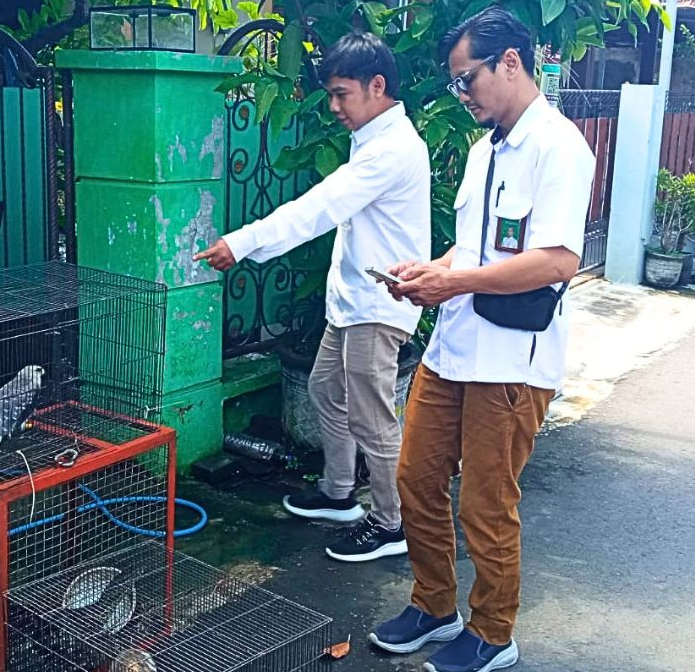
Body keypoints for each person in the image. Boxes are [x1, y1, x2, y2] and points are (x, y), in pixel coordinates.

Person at [366, 7, 595, 672]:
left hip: (512, 362)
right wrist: (428, 272)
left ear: (511, 64)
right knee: (415, 478)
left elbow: (557, 261)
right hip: (454, 348)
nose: (461, 94)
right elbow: (474, 248)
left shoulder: (559, 149)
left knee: (487, 502)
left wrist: (455, 280)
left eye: (468, 80)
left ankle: (494, 632)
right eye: (456, 84)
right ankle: (435, 606)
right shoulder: (483, 149)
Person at [194, 32, 431, 562]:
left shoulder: (391, 150)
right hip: (354, 301)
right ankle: (338, 492)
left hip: (377, 305)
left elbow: (319, 207)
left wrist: (244, 241)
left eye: (342, 94)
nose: (333, 106)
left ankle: (392, 524)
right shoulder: (373, 139)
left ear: (377, 86)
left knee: (373, 418)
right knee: (325, 388)